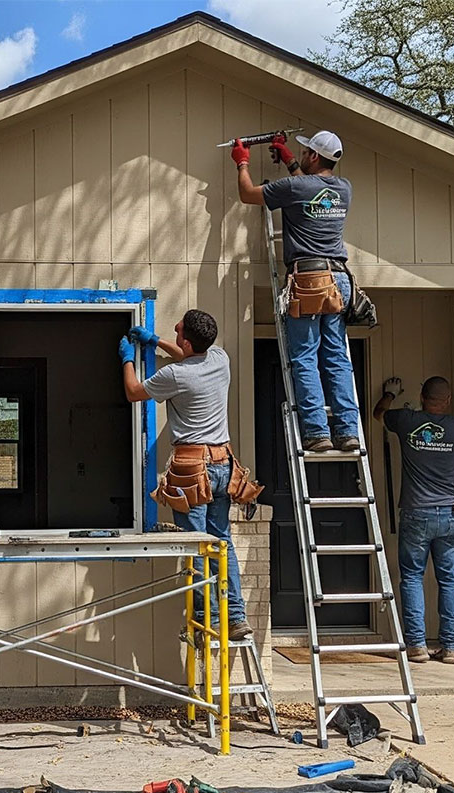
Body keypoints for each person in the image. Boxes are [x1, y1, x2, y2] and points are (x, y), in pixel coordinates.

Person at [120, 310, 253, 641]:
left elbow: (134, 392)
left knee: (197, 546)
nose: (174, 328)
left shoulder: (176, 376)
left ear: (187, 340)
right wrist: (155, 342)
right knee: (221, 543)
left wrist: (127, 360)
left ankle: (204, 621)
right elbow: (189, 354)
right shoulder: (220, 359)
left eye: (178, 329)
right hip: (224, 466)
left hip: (193, 471)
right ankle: (235, 617)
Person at [232, 130, 361, 453]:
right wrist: (288, 157)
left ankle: (317, 432)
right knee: (335, 358)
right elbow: (310, 187)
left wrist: (242, 162)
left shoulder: (294, 188)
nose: (302, 156)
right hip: (338, 279)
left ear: (314, 156)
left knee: (304, 357)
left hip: (308, 280)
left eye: (306, 153)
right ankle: (348, 431)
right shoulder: (343, 189)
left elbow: (248, 194)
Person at [373, 376, 454, 664]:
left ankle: (418, 647)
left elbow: (379, 414)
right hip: (450, 514)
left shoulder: (407, 420)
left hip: (416, 513)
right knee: (448, 579)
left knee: (411, 577)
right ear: (447, 401)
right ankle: (449, 648)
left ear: (422, 396)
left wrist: (390, 393)